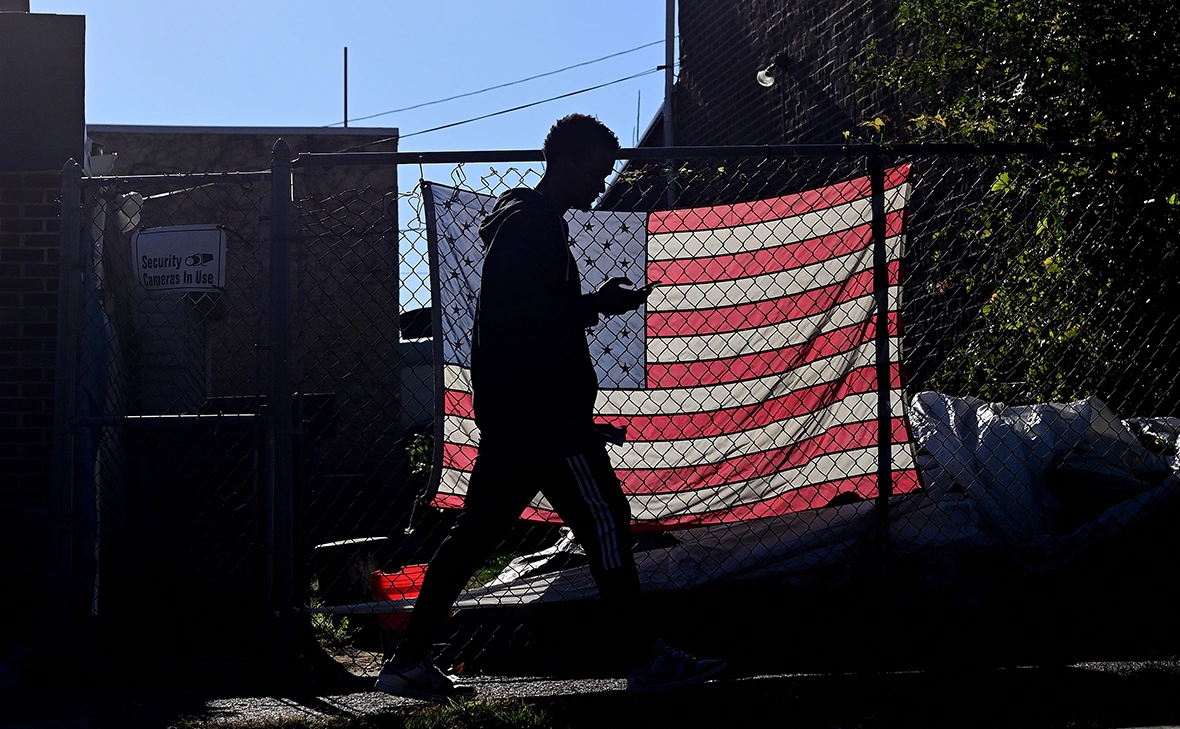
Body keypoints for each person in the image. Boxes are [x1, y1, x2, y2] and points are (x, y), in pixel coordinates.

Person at [374, 114, 725, 700]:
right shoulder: (534, 229)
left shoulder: (527, 226)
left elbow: (529, 315)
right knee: (606, 523)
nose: (602, 180)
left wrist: (591, 305)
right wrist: (574, 391)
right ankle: (646, 660)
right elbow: (527, 323)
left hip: (522, 418)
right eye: (598, 167)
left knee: (475, 538)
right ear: (567, 162)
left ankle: (408, 662)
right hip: (545, 420)